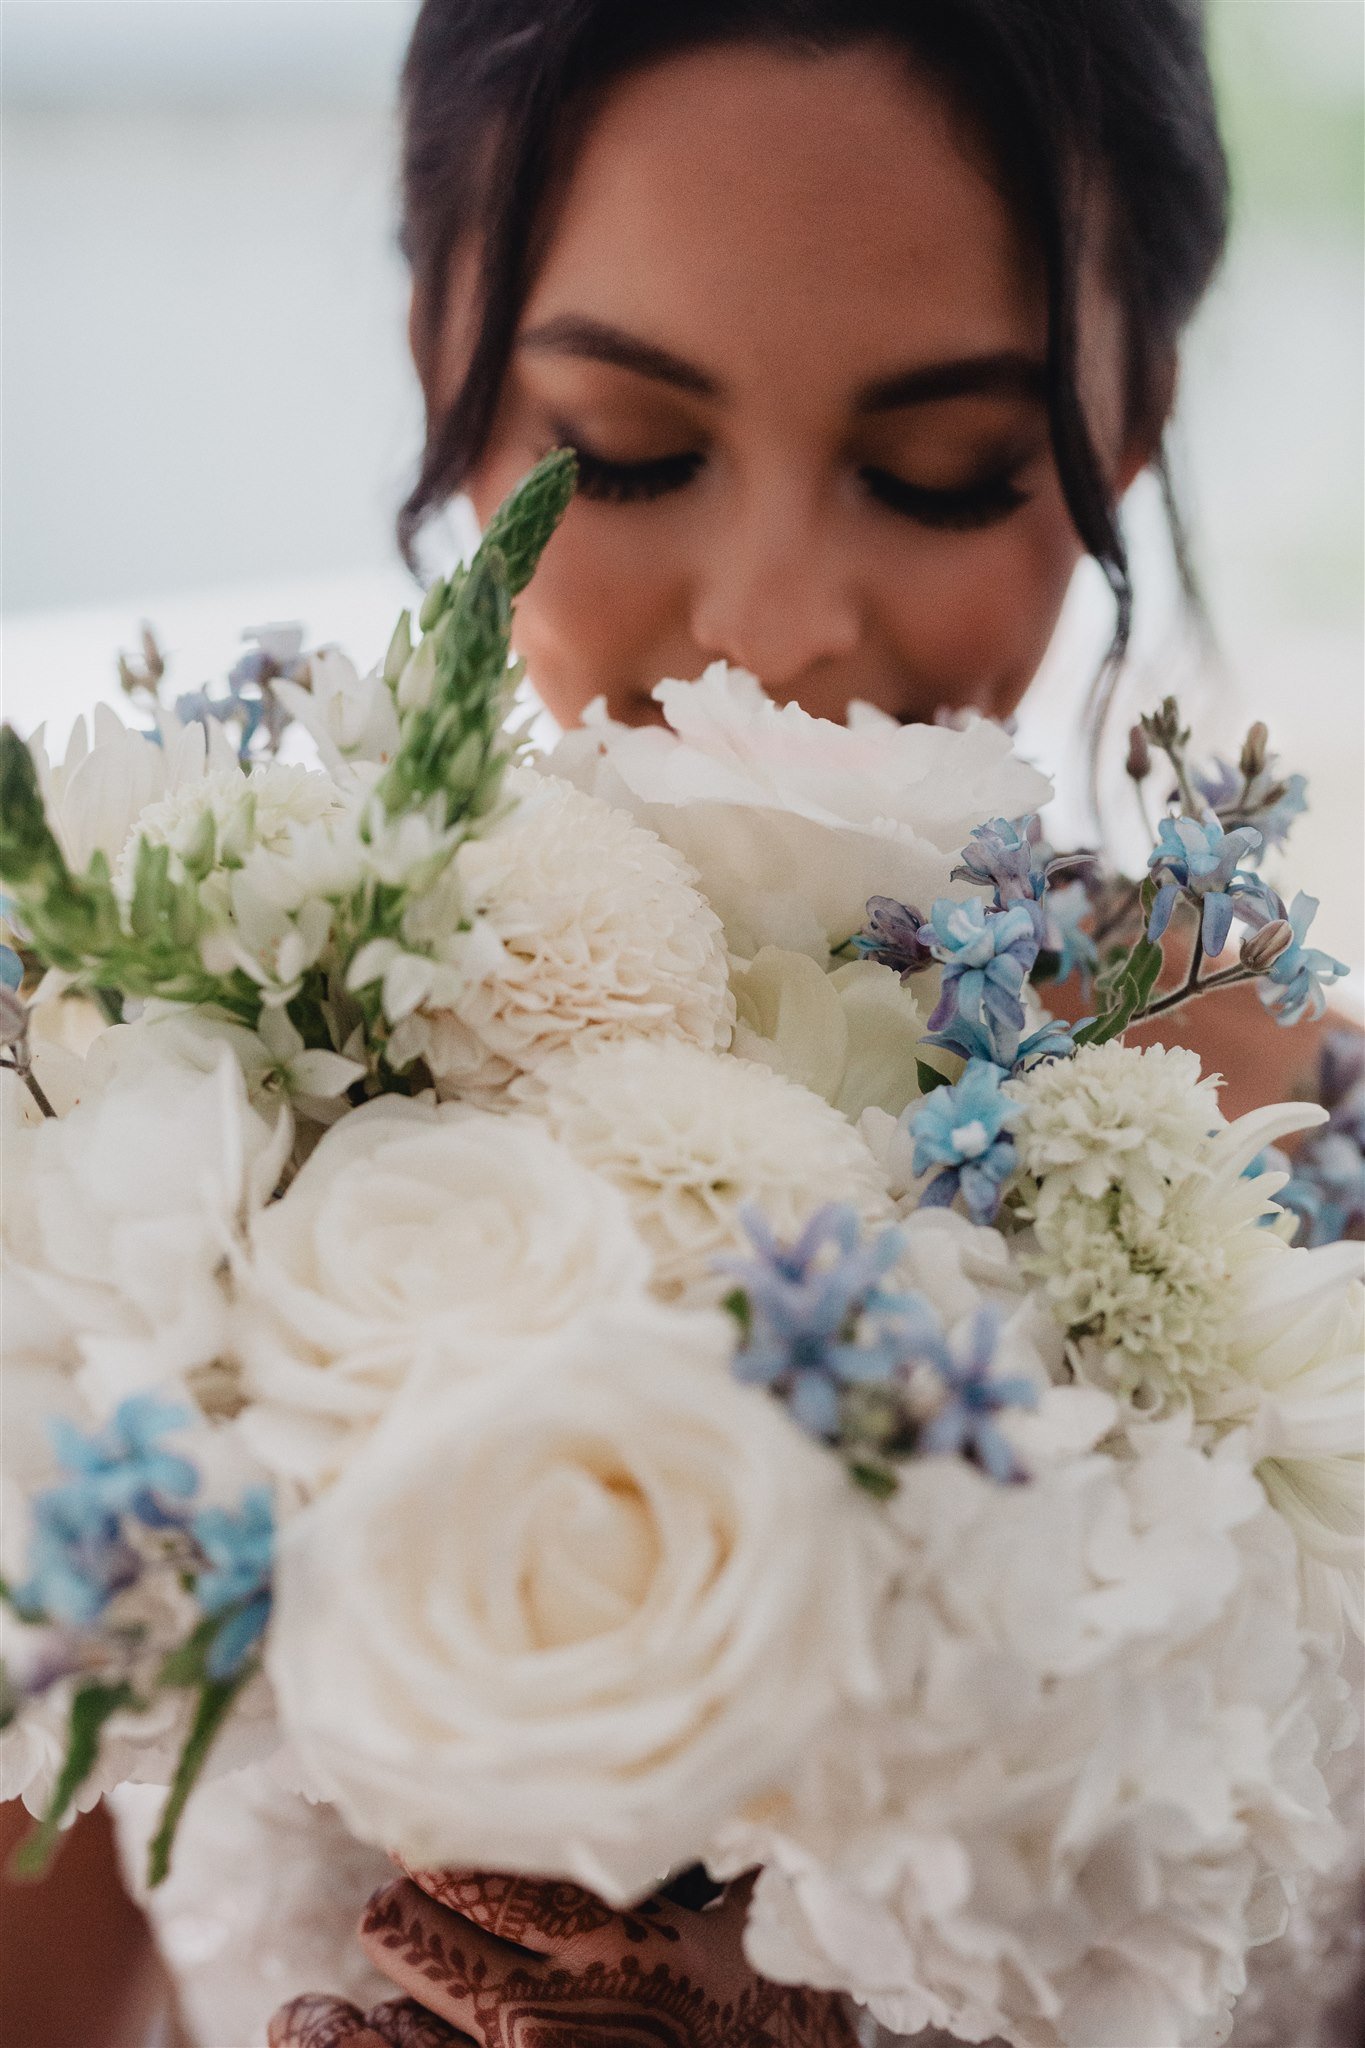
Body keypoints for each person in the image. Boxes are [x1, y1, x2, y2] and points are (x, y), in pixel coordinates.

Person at [6, 4, 1359, 2044]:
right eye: (629, 447)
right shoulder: (155, 1113)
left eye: (939, 468)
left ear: (1131, 416)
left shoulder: (1307, 1174)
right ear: (444, 367)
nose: (774, 617)